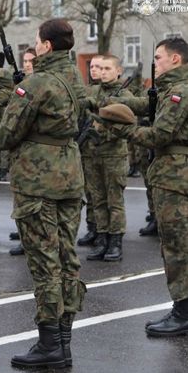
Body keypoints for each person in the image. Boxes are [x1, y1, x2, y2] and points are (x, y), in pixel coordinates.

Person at [0, 18, 86, 368]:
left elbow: (5, 135)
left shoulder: (35, 84)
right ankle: (63, 342)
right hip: (69, 176)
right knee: (67, 260)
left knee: (46, 264)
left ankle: (50, 345)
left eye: (36, 41)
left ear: (46, 46)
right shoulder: (74, 77)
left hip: (38, 183)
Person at [102, 37, 188, 337]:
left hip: (175, 178)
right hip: (175, 175)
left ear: (175, 59)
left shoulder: (178, 92)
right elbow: (146, 105)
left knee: (177, 246)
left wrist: (124, 130)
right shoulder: (172, 90)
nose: (156, 62)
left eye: (159, 57)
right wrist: (116, 102)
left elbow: (160, 136)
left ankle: (182, 311)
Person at [85, 55, 133, 262]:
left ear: (118, 71)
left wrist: (103, 132)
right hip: (93, 153)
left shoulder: (125, 95)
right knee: (97, 199)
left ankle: (115, 241)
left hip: (114, 153)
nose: (102, 72)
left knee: (114, 200)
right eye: (99, 68)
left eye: (107, 68)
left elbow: (128, 125)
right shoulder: (92, 91)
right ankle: (102, 238)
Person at [9, 47, 37, 256]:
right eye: (25, 60)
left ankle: (32, 239)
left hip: (37, 151)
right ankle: (23, 235)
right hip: (20, 149)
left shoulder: (41, 84)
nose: (27, 64)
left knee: (34, 199)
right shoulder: (22, 84)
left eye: (31, 60)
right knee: (20, 197)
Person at [77, 54, 104, 246]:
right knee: (90, 193)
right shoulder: (88, 91)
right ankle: (92, 228)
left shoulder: (111, 94)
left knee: (105, 197)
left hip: (106, 151)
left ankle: (107, 234)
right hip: (87, 150)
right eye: (92, 66)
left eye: (100, 67)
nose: (94, 70)